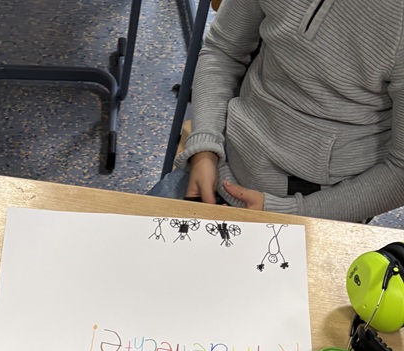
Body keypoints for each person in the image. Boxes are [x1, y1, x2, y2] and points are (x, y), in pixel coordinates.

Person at [152, 0, 404, 221]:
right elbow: (222, 50)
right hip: (219, 165)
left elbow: (400, 172)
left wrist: (292, 212)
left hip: (319, 210)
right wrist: (205, 147)